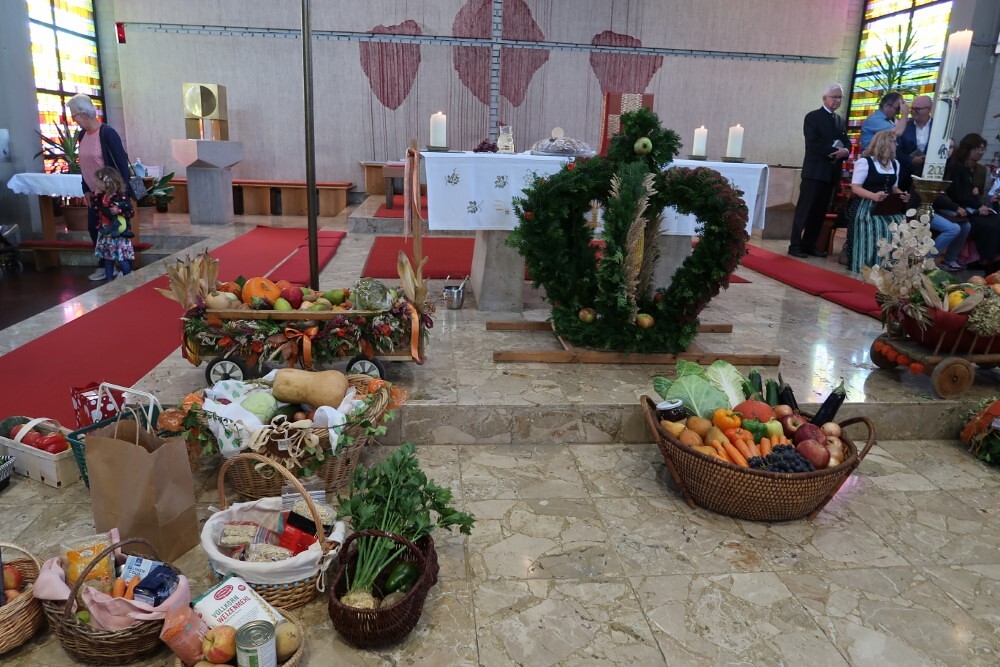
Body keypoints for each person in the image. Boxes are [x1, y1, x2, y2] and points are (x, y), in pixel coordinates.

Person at [896, 96, 970, 271]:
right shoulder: (905, 125)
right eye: (913, 108)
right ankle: (918, 259)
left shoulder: (938, 128)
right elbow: (896, 149)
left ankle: (943, 259)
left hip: (931, 186)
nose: (914, 111)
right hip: (909, 178)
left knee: (963, 225)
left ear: (929, 109)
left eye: (918, 109)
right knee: (919, 219)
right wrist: (911, 160)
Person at [67, 93, 133, 281]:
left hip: (112, 194)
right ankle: (105, 265)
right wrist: (86, 189)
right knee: (95, 228)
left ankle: (124, 266)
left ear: (84, 114)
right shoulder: (82, 135)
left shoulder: (107, 133)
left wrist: (121, 195)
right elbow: (85, 165)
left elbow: (121, 165)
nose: (73, 120)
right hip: (95, 193)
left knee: (117, 229)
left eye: (74, 115)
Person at [788, 83, 852, 258]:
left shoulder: (839, 120)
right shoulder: (813, 117)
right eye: (834, 97)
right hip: (814, 172)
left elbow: (846, 142)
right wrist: (835, 151)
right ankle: (795, 245)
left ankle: (809, 244)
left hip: (830, 173)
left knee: (819, 211)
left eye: (839, 97)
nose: (837, 100)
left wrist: (846, 151)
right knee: (805, 210)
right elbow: (813, 143)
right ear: (825, 98)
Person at [843, 130, 910, 273]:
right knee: (879, 227)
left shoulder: (895, 164)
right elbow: (855, 187)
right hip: (866, 205)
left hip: (886, 206)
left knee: (900, 226)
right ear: (885, 143)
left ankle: (891, 268)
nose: (897, 145)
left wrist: (902, 195)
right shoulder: (865, 162)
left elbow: (894, 187)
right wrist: (873, 196)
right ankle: (869, 265)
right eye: (894, 142)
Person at [937, 133, 1000, 270]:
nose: (981, 152)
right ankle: (981, 259)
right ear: (968, 148)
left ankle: (991, 259)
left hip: (967, 204)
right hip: (956, 205)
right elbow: (957, 194)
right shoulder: (956, 165)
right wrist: (978, 206)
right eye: (978, 148)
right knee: (987, 225)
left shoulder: (968, 167)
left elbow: (967, 191)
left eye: (983, 149)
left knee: (995, 219)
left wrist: (978, 200)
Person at [91, 167, 135, 281]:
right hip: (106, 232)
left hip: (118, 233)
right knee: (108, 258)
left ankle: (128, 278)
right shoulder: (102, 196)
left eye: (98, 181)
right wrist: (96, 196)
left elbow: (130, 212)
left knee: (122, 258)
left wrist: (119, 210)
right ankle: (109, 281)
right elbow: (96, 209)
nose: (96, 183)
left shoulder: (119, 196)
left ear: (107, 182)